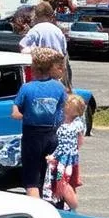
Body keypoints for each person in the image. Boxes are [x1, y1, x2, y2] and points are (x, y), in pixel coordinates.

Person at [12, 47, 67, 198]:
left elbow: (15, 113)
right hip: (52, 135)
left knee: (32, 179)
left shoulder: (27, 88)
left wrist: (25, 114)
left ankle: (35, 207)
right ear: (51, 67)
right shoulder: (59, 87)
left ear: (35, 67)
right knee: (51, 174)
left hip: (32, 135)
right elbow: (63, 112)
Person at [44, 93, 88, 211]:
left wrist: (52, 156)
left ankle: (72, 205)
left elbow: (62, 146)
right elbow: (80, 141)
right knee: (69, 181)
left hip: (62, 162)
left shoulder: (65, 128)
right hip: (72, 160)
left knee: (61, 180)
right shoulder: (78, 124)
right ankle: (66, 204)